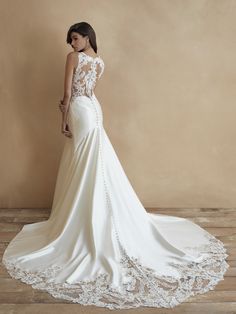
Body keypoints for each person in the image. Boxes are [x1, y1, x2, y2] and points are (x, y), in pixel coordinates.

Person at [1, 21, 230, 310]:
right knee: (92, 159)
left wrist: (62, 120)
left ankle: (84, 215)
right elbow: (89, 91)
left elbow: (68, 94)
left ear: (86, 37)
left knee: (84, 159)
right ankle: (92, 212)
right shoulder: (99, 63)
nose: (71, 44)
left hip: (81, 110)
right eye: (70, 40)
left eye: (75, 38)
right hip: (94, 109)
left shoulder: (73, 58)